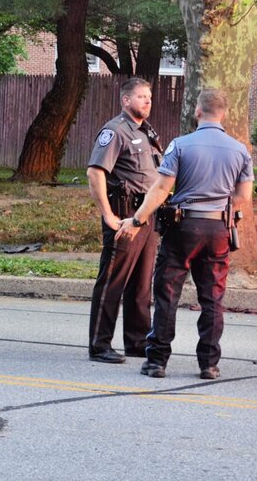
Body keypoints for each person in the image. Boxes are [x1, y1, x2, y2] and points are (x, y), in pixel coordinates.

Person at [115, 89, 254, 380]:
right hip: (218, 230)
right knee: (212, 298)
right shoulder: (240, 150)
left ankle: (157, 362)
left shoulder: (180, 145)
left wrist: (137, 219)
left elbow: (162, 188)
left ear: (197, 111)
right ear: (224, 113)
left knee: (167, 294)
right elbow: (243, 196)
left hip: (182, 228)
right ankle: (209, 364)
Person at [86, 77, 163, 364]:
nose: (147, 101)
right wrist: (108, 215)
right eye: (141, 96)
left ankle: (136, 341)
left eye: (149, 97)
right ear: (126, 100)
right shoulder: (115, 131)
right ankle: (99, 344)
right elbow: (95, 173)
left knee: (142, 283)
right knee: (112, 280)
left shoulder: (147, 132)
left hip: (147, 215)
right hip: (125, 213)